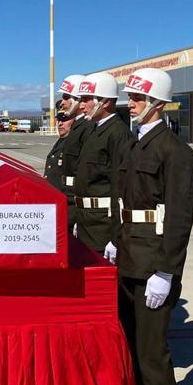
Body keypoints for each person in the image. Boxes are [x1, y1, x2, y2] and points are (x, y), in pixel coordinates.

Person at [117, 68, 193, 385]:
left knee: (152, 354)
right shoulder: (133, 146)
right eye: (130, 98)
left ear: (158, 103)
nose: (131, 104)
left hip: (152, 263)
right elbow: (124, 202)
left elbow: (179, 219)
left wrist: (166, 272)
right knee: (131, 347)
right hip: (128, 257)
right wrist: (114, 241)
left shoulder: (176, 152)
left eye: (138, 98)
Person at [73, 72, 134, 254]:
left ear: (105, 102)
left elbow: (121, 187)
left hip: (103, 225)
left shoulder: (118, 134)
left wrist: (116, 237)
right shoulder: (93, 129)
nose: (81, 105)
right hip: (86, 221)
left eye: (86, 99)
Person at [57, 74, 95, 230]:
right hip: (68, 201)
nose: (63, 102)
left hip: (76, 203)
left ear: (78, 100)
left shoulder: (87, 127)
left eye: (66, 97)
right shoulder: (78, 127)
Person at [43, 102, 75, 192]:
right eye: (59, 120)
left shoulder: (73, 143)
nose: (60, 123)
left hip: (65, 195)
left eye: (64, 120)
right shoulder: (61, 141)